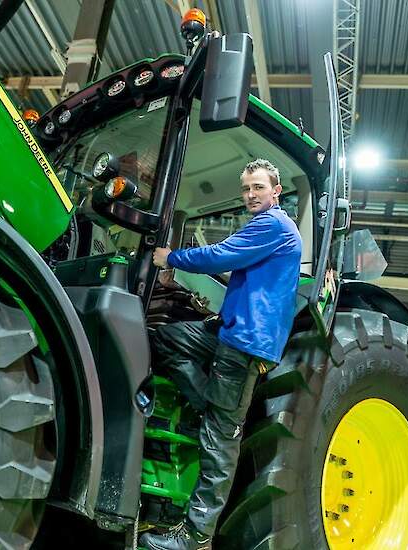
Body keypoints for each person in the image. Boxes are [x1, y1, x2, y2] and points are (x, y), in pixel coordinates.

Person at [139, 159, 302, 550]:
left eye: (258, 187)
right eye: (246, 189)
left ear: (275, 191)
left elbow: (221, 256)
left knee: (220, 441)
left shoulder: (275, 224)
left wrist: (171, 258)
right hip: (228, 331)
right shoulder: (265, 229)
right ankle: (207, 407)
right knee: (167, 339)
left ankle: (196, 536)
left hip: (246, 343)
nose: (250, 195)